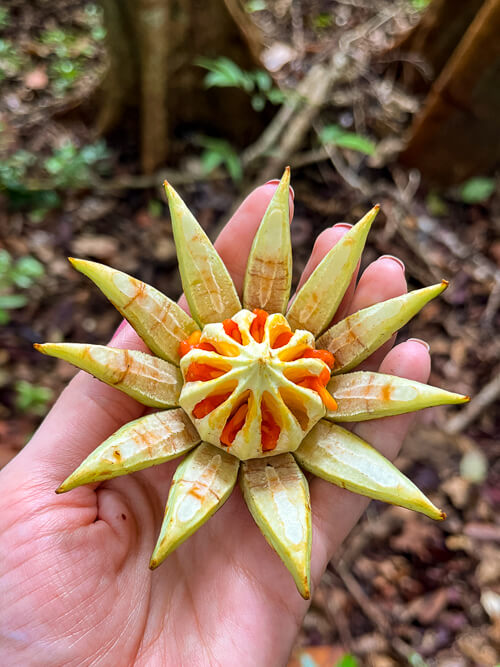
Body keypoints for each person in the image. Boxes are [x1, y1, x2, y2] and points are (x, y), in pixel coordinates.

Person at [0, 182, 430, 666]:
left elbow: (263, 370)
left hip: (253, 448)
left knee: (266, 367)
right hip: (229, 445)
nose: (259, 364)